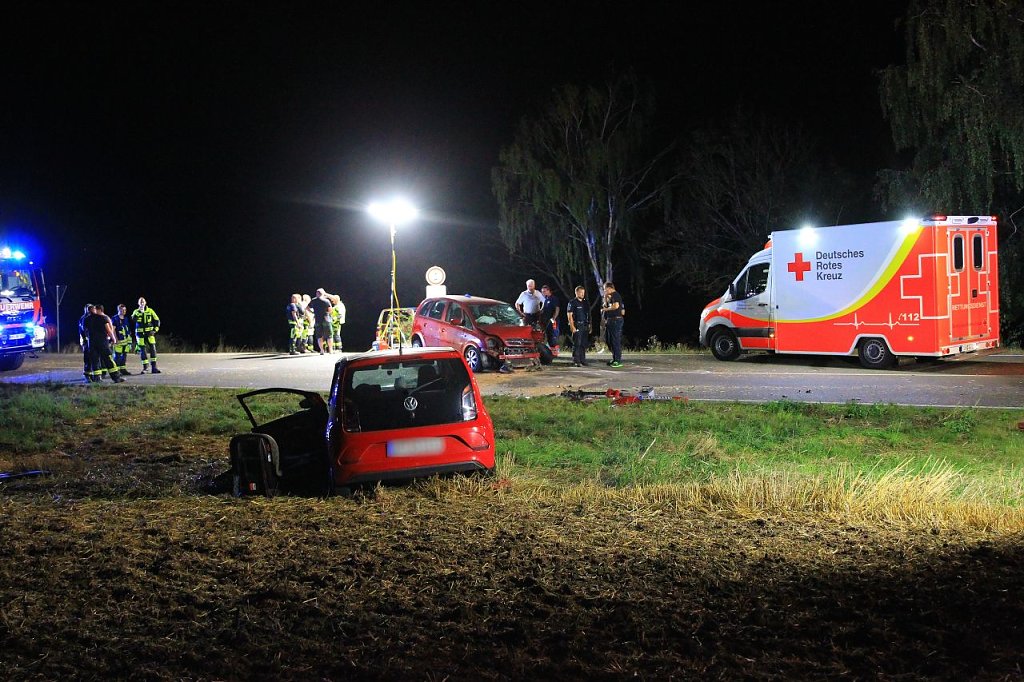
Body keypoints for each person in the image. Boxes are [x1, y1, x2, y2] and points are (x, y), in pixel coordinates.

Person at [84, 304, 124, 383]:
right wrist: (113, 339)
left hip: (91, 343)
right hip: (102, 342)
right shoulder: (102, 318)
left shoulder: (86, 319)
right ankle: (116, 378)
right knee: (108, 360)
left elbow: (85, 331)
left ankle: (97, 379)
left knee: (95, 361)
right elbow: (108, 330)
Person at [132, 296, 162, 374]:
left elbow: (157, 320)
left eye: (143, 301)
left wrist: (155, 330)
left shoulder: (150, 310)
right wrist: (139, 312)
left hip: (149, 333)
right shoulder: (136, 311)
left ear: (145, 302)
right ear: (138, 303)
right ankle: (145, 368)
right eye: (140, 302)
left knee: (153, 349)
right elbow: (133, 319)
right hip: (140, 334)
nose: (142, 303)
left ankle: (154, 367)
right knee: (142, 350)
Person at [565, 285, 590, 367]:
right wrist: (572, 326)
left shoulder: (585, 302)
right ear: (576, 293)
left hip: (584, 325)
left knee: (583, 343)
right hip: (577, 325)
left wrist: (589, 325)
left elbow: (588, 314)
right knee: (577, 343)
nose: (582, 294)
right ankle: (576, 360)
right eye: (581, 292)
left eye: (583, 292)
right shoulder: (572, 302)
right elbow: (569, 315)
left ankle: (583, 360)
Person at [601, 281, 624, 368]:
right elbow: (606, 305)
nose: (604, 291)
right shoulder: (610, 297)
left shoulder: (615, 295)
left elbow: (616, 306)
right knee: (609, 340)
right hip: (610, 321)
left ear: (609, 288)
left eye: (605, 289)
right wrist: (605, 298)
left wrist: (606, 310)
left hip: (616, 321)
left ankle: (617, 360)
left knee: (615, 340)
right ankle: (614, 358)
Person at [307, 288, 333, 354]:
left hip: (317, 319)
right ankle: (330, 350)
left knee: (319, 336)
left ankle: (321, 350)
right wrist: (327, 314)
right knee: (329, 335)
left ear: (317, 293)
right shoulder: (326, 301)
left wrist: (313, 312)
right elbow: (330, 310)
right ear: (323, 293)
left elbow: (307, 307)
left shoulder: (313, 300)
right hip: (326, 319)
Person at [110, 303, 134, 376]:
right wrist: (115, 339)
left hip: (125, 341)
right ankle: (116, 371)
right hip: (118, 341)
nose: (124, 311)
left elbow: (128, 330)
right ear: (118, 310)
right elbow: (113, 329)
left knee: (124, 356)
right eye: (122, 310)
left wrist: (129, 341)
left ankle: (123, 369)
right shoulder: (114, 318)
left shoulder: (126, 319)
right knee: (117, 356)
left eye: (125, 310)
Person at [539, 284, 560, 350]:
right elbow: (542, 309)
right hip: (546, 320)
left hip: (553, 321)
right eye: (542, 292)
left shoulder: (554, 298)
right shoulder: (545, 299)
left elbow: (557, 309)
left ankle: (555, 349)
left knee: (554, 334)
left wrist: (554, 318)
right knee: (548, 334)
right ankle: (550, 350)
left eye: (544, 291)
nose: (543, 293)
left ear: (548, 291)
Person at [78, 303, 95, 382]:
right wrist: (85, 339)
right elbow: (83, 330)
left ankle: (91, 374)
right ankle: (87, 375)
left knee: (92, 358)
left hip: (92, 340)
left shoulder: (92, 317)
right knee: (87, 358)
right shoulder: (83, 318)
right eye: (89, 309)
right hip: (86, 341)